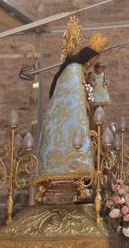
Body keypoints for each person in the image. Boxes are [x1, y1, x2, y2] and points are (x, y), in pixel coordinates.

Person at [38, 41, 104, 183]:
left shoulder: (79, 70)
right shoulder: (73, 70)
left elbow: (81, 91)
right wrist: (85, 103)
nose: (94, 63)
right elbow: (73, 96)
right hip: (68, 121)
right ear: (89, 58)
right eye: (94, 59)